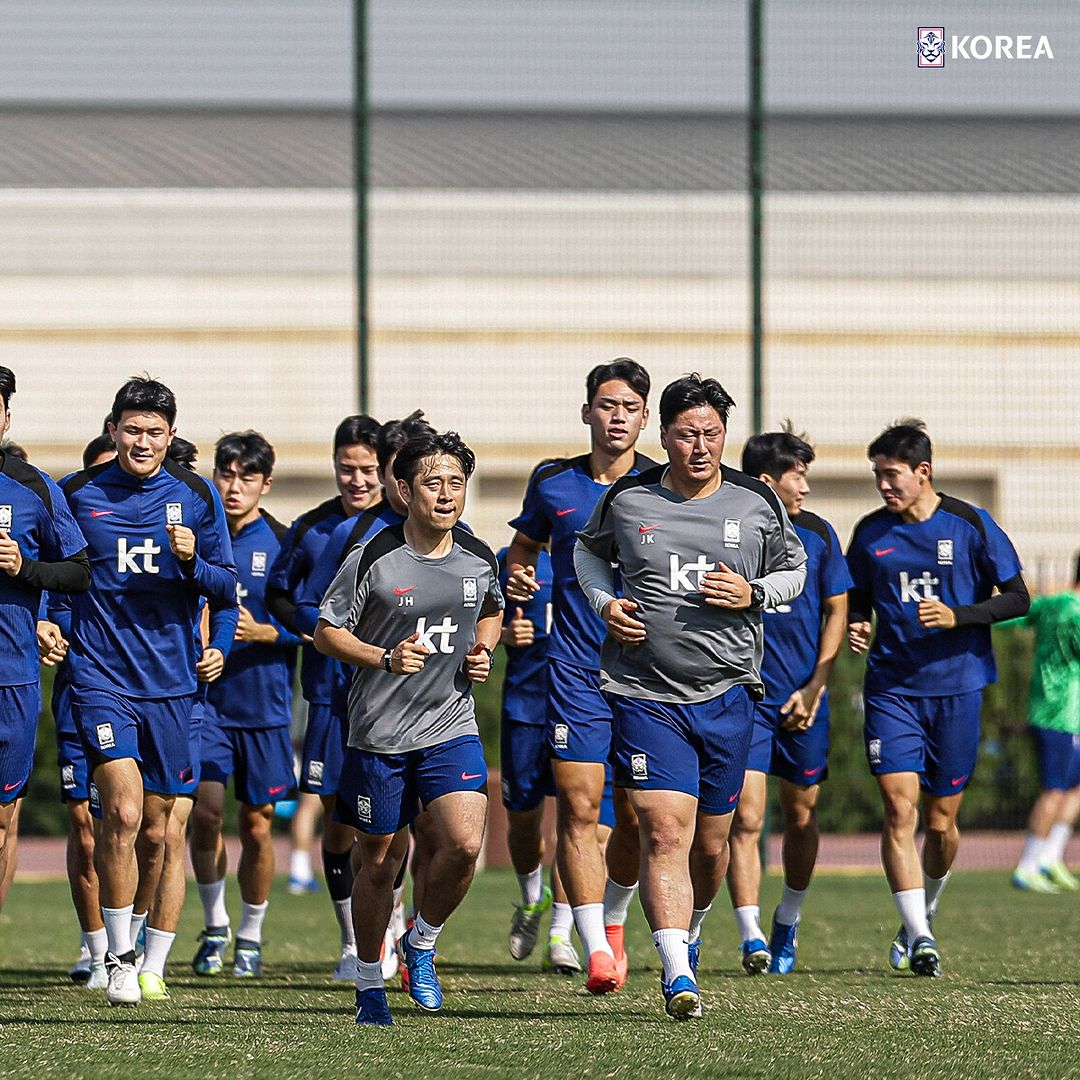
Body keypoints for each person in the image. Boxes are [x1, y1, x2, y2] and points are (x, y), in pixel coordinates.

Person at [574, 373, 806, 1019]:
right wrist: (605, 603)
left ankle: (694, 930)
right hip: (645, 692)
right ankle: (676, 972)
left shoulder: (756, 502)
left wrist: (755, 593)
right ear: (664, 434)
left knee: (712, 846)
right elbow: (588, 555)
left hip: (729, 694)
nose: (700, 446)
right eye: (686, 434)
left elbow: (795, 568)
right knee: (664, 830)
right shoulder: (628, 499)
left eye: (711, 433)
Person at [314, 431, 503, 1026]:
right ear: (404, 489)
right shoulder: (372, 556)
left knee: (466, 843)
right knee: (379, 864)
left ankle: (420, 942)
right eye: (432, 482)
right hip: (379, 734)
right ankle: (370, 982)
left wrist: (484, 652)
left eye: (456, 482)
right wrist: (383, 657)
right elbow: (326, 632)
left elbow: (492, 609)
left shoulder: (477, 556)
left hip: (451, 722)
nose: (446, 494)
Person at [59, 376, 237, 1006]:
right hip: (100, 678)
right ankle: (119, 957)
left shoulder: (194, 495)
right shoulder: (75, 494)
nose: (142, 441)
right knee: (124, 813)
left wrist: (194, 566)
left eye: (154, 432)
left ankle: (151, 958)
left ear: (170, 435)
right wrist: (52, 626)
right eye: (131, 430)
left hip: (172, 686)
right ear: (113, 431)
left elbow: (226, 586)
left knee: (161, 831)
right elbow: (57, 577)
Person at [847, 419, 1029, 977]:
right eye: (877, 475)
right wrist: (857, 622)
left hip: (958, 689)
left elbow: (1018, 598)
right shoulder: (872, 533)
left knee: (941, 822)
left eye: (891, 474)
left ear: (923, 472)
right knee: (899, 809)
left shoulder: (970, 524)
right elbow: (855, 597)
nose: (883, 485)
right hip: (892, 691)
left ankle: (922, 910)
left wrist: (961, 616)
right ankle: (922, 938)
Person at [505, 359, 655, 994]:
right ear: (587, 411)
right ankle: (588, 945)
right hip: (571, 666)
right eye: (606, 405)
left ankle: (612, 922)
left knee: (638, 814)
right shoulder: (553, 483)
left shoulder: (666, 485)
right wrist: (517, 586)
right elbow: (523, 549)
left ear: (645, 418)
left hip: (650, 672)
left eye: (628, 407)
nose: (616, 416)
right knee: (576, 804)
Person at [292, 411, 433, 982]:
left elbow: (481, 603)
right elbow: (311, 607)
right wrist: (356, 644)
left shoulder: (458, 537)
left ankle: (412, 939)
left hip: (431, 707)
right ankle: (361, 942)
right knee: (356, 827)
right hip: (354, 703)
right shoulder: (358, 536)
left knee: (433, 828)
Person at [725, 429, 852, 974]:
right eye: (795, 474)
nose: (804, 484)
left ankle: (787, 921)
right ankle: (750, 933)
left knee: (801, 816)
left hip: (802, 700)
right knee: (745, 818)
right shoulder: (728, 529)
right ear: (764, 482)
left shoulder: (819, 534)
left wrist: (815, 687)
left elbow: (838, 611)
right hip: (744, 697)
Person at [264, 414, 382, 979]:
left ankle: (390, 935)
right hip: (330, 695)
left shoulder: (406, 531)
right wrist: (310, 630)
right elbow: (282, 597)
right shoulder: (315, 529)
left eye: (368, 470)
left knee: (390, 820)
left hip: (394, 698)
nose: (357, 480)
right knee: (337, 818)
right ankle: (351, 940)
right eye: (346, 468)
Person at [190, 432, 301, 978]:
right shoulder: (197, 535)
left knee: (257, 826)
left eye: (246, 478)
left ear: (265, 484)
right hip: (205, 702)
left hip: (264, 706)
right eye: (226, 475)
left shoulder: (283, 541)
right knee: (205, 814)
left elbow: (313, 623)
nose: (234, 488)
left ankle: (252, 934)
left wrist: (269, 633)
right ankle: (215, 927)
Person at [0, 366, 91, 917]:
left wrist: (24, 569)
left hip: (10, 678)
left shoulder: (33, 487)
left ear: (6, 416)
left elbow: (79, 571)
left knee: (2, 820)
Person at [53, 433, 118, 988]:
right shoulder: (66, 515)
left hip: (135, 689)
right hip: (77, 691)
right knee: (85, 824)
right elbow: (46, 589)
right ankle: (95, 947)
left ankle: (129, 938)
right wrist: (47, 625)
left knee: (131, 819)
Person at [1007, 555, 1080, 893]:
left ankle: (1050, 858)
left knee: (1073, 788)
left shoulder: (1052, 603)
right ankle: (1027, 866)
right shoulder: (1075, 613)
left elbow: (1010, 619)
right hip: (1059, 714)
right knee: (1053, 790)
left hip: (1058, 712)